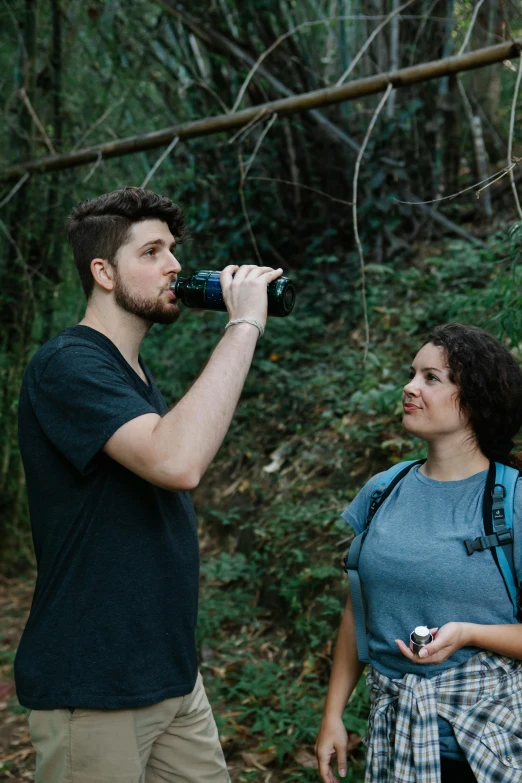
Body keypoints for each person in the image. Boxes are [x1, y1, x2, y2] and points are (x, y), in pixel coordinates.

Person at [15, 186, 283, 783]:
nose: (176, 266)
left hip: (172, 679)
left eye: (174, 250)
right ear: (103, 272)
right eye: (153, 251)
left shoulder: (130, 373)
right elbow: (177, 461)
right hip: (95, 687)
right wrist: (243, 323)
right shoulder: (67, 364)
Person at [315, 323, 522, 783]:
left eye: (432, 378)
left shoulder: (511, 501)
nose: (409, 387)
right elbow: (357, 609)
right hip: (396, 740)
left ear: (475, 401)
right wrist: (333, 714)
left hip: (490, 746)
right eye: (412, 374)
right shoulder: (384, 490)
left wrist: (469, 633)